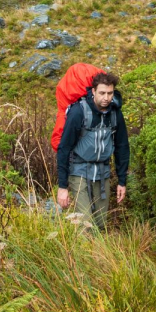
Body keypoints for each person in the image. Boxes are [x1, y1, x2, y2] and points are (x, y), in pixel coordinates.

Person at [55, 72, 129, 230]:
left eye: (110, 93)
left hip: (103, 173)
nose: (106, 98)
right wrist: (63, 187)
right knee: (85, 225)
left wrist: (122, 181)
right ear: (93, 91)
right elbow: (64, 148)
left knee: (100, 224)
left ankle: (96, 254)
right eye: (102, 93)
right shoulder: (79, 112)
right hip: (79, 171)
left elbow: (122, 146)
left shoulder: (115, 113)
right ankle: (80, 254)